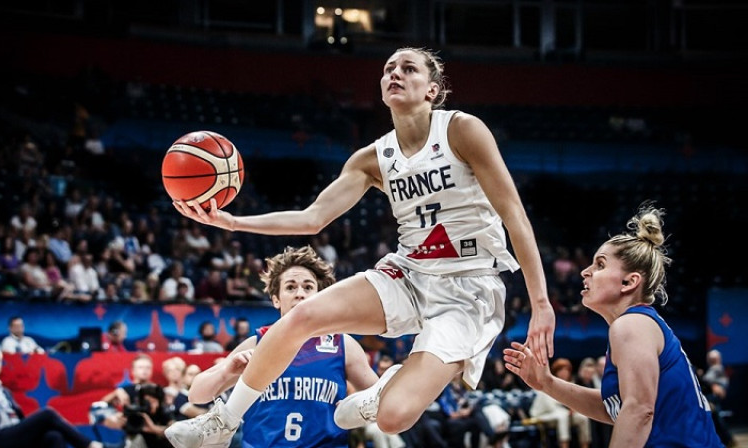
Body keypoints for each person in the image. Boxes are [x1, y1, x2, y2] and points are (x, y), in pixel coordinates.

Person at [170, 46, 555, 447]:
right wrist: (231, 222)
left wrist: (540, 304)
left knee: (394, 419)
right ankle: (223, 422)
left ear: (433, 90)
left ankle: (379, 393)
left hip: (468, 286)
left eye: (409, 69)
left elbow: (514, 214)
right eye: (389, 69)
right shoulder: (373, 157)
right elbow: (313, 218)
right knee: (302, 317)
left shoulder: (462, 130)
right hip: (408, 272)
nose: (396, 74)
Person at [504, 204, 724, 447]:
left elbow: (639, 411)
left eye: (600, 264)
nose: (585, 272)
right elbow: (617, 410)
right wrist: (548, 383)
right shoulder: (636, 325)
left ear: (629, 281)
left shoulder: (632, 325)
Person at [164, 245, 379, 448]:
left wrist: (357, 407)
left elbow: (381, 398)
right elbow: (196, 394)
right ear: (276, 299)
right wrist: (226, 371)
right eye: (291, 287)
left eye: (308, 287)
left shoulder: (343, 344)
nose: (300, 293)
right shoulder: (257, 343)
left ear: (319, 296)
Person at [0, 345, 116, 448]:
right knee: (47, 413)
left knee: (54, 436)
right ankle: (91, 445)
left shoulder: (4, 391)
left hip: (15, 434)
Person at [528, 358, 591, 448]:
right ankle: (564, 445)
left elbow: (573, 403)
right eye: (561, 370)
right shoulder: (549, 382)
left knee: (583, 418)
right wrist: (567, 409)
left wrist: (573, 409)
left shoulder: (571, 384)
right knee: (563, 416)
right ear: (556, 371)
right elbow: (550, 406)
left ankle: (585, 445)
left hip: (565, 413)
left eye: (566, 370)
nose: (564, 373)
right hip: (545, 413)